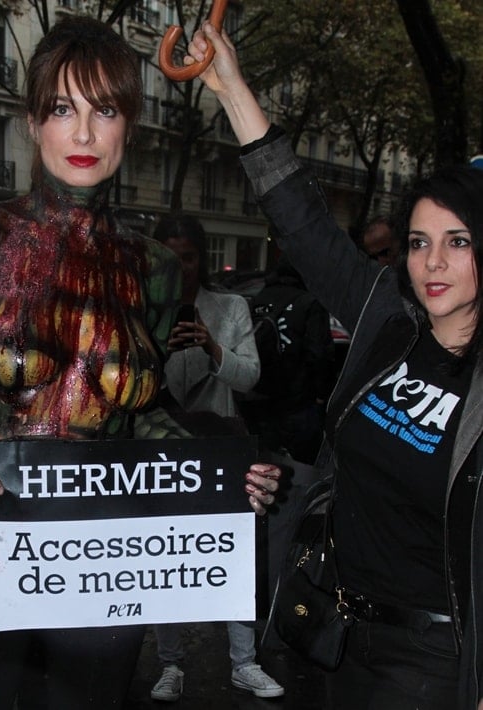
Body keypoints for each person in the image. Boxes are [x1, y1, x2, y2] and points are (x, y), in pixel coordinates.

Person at [0, 17, 281, 710]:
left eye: (104, 110)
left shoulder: (154, 268)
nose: (82, 134)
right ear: (33, 121)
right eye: (62, 109)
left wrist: (219, 473)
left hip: (102, 559)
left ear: (128, 125)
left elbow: (141, 416)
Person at [182, 20, 483, 710]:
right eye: (418, 241)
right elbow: (303, 222)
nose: (432, 262)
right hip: (337, 633)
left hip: (437, 658)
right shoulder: (389, 326)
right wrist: (230, 87)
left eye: (458, 242)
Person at [148, 213, 283, 701]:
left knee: (234, 550)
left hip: (222, 446)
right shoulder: (141, 308)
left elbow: (249, 377)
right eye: (169, 256)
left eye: (187, 256)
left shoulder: (230, 306)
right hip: (160, 448)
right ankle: (169, 663)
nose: (179, 267)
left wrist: (210, 344)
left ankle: (244, 662)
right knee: (160, 550)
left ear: (200, 259)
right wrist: (160, 349)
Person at [243, 254, 334, 464]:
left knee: (265, 466)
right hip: (299, 402)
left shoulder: (258, 299)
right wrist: (322, 394)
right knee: (305, 468)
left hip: (261, 399)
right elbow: (319, 354)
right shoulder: (309, 302)